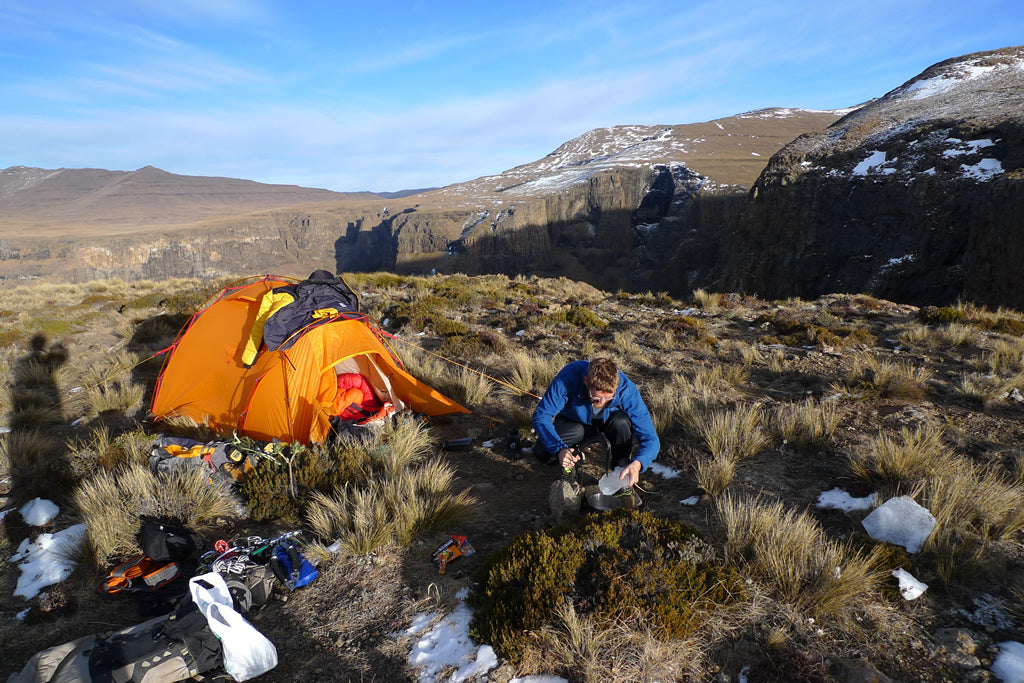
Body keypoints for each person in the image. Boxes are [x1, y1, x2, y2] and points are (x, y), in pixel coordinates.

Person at [532, 358, 659, 491]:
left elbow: (651, 438)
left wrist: (638, 463)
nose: (602, 401)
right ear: (586, 381)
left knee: (621, 422)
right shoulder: (569, 376)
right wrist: (559, 449)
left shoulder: (626, 390)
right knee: (543, 454)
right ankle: (573, 454)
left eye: (609, 398)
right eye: (597, 398)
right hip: (575, 423)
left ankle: (621, 473)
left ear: (616, 387)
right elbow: (541, 416)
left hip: (610, 425)